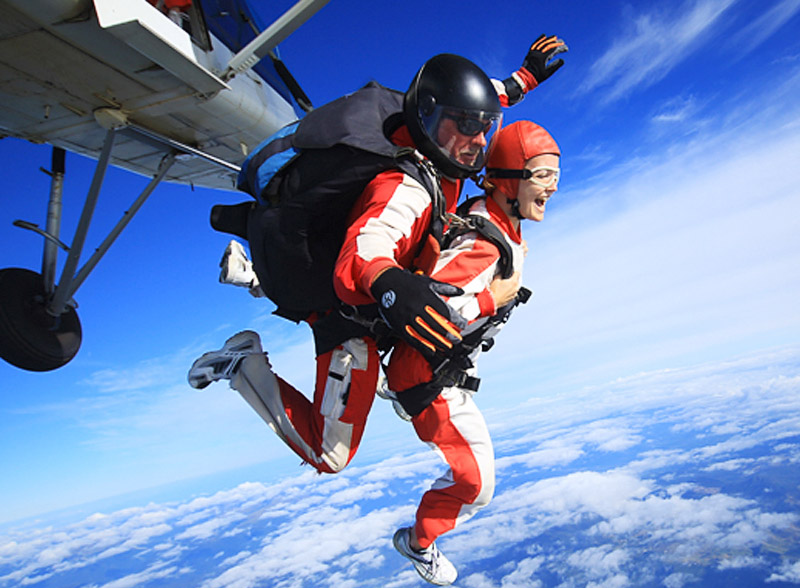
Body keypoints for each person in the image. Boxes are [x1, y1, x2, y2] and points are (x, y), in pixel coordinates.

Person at [187, 42, 566, 474]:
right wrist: (390, 284)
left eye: (485, 129)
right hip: (348, 319)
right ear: (431, 120)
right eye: (466, 128)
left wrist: (523, 80)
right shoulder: (408, 187)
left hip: (330, 271)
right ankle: (243, 365)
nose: (477, 142)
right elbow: (365, 254)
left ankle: (253, 273)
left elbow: (475, 103)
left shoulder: (434, 135)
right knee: (329, 454)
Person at [386, 120, 561, 585]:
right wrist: (493, 299)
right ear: (508, 178)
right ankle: (418, 543)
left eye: (555, 174)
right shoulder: (485, 242)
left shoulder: (494, 223)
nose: (553, 186)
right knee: (475, 483)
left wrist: (521, 82)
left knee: (476, 481)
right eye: (541, 174)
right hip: (427, 377)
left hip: (436, 373)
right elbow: (433, 307)